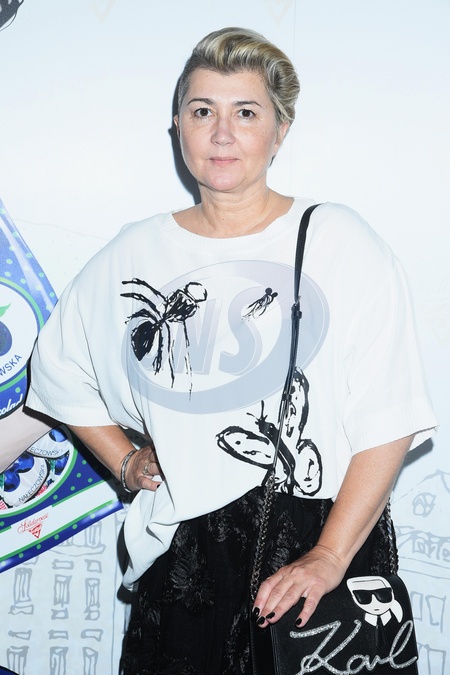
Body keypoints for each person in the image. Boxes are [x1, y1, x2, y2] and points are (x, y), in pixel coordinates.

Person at [26, 27, 437, 674]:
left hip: (313, 542)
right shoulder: (133, 254)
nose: (222, 133)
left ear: (280, 131)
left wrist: (329, 556)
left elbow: (390, 415)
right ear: (177, 127)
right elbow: (57, 371)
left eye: (245, 112)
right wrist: (126, 461)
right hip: (184, 562)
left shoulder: (338, 241)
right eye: (202, 111)